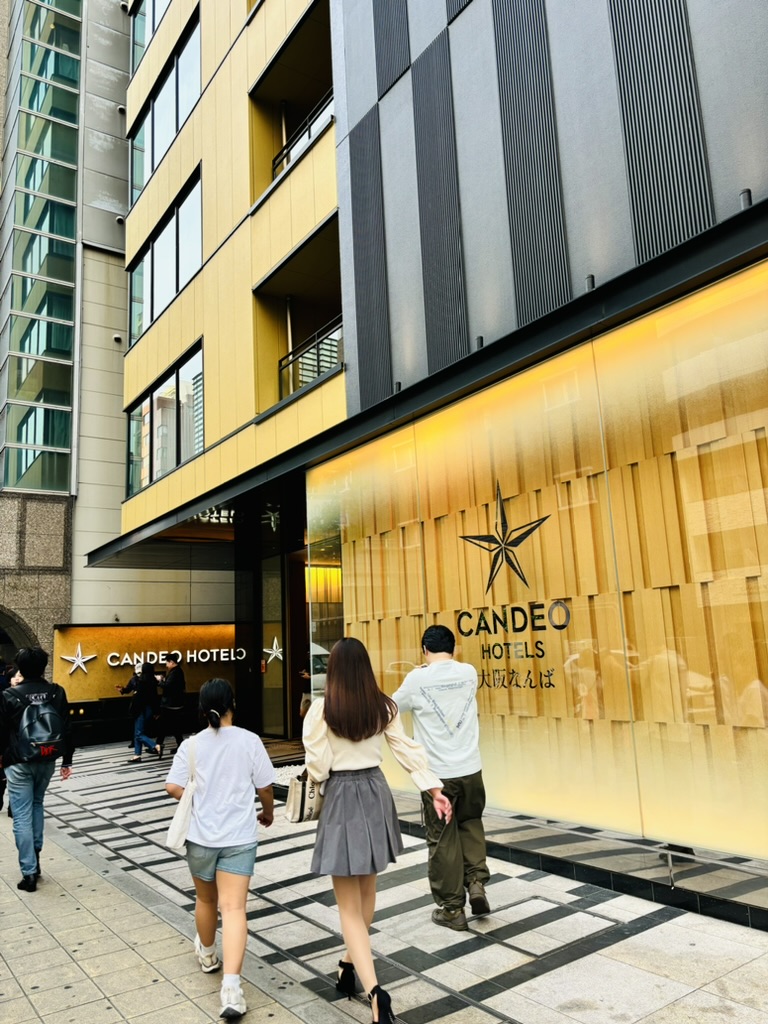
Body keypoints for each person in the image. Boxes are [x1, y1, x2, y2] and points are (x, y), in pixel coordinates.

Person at [302, 637, 452, 1024]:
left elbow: (318, 767)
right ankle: (347, 964)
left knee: (348, 908)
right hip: (374, 792)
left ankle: (375, 993)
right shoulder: (383, 706)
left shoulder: (322, 709)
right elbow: (406, 749)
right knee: (367, 893)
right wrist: (433, 789)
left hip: (342, 796)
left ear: (334, 670)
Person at [165, 678, 275, 1021]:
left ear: (201, 709)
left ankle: (209, 955)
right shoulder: (249, 740)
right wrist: (268, 812)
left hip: (200, 837)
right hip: (239, 838)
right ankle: (231, 989)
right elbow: (265, 786)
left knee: (205, 900)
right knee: (234, 908)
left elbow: (172, 786)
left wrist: (197, 800)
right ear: (233, 705)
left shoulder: (192, 745)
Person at [392, 624, 490, 931]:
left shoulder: (416, 679)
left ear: (424, 650)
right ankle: (476, 882)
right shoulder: (469, 672)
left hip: (438, 778)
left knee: (442, 838)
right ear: (454, 648)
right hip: (471, 769)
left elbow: (392, 706)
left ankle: (452, 909)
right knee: (470, 824)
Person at [0, 646, 74, 891]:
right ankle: (37, 858)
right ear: (43, 667)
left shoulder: (9, 695)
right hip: (47, 757)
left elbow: (2, 732)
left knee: (21, 815)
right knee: (37, 804)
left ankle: (29, 872)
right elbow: (67, 727)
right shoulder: (56, 692)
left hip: (18, 760)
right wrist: (67, 760)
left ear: (20, 668)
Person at [123, 662, 161, 763]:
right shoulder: (153, 681)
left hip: (140, 710)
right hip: (149, 709)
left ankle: (155, 746)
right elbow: (154, 698)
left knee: (138, 733)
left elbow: (138, 698)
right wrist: (156, 712)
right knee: (138, 732)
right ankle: (137, 755)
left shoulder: (142, 682)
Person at [157, 653, 186, 755]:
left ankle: (158, 746)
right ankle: (179, 745)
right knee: (174, 726)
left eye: (167, 662)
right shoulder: (177, 671)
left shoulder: (175, 673)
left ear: (172, 662)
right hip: (174, 704)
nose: (166, 665)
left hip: (170, 705)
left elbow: (168, 686)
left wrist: (160, 681)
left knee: (163, 725)